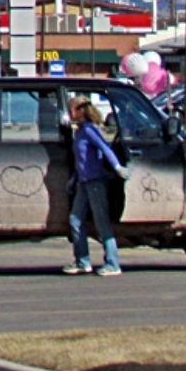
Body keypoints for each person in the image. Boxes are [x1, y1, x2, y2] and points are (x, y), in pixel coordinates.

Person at [63, 96, 131, 277]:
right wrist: (74, 179)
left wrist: (117, 167)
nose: (69, 113)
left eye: (72, 109)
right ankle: (82, 261)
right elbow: (81, 160)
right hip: (83, 183)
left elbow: (105, 148)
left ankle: (113, 263)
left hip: (95, 183)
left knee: (102, 223)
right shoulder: (79, 132)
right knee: (75, 220)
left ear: (80, 111)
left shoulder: (90, 130)